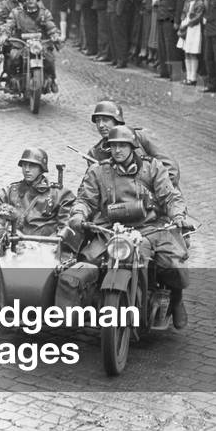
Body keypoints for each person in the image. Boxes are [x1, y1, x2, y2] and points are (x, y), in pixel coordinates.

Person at [68, 126, 190, 329]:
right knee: (87, 260)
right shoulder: (98, 171)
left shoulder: (152, 168)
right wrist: (79, 214)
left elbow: (170, 196)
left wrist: (178, 215)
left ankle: (176, 299)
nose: (117, 150)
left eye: (122, 145)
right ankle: (94, 302)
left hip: (149, 228)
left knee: (172, 265)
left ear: (132, 146)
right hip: (110, 229)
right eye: (113, 146)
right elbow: (85, 199)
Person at [0, 148, 74, 245]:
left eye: (32, 166)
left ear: (41, 168)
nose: (27, 170)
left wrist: (57, 240)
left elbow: (68, 225)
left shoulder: (59, 194)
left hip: (47, 249)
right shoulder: (12, 191)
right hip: (15, 246)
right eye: (24, 165)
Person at [85, 101, 181, 190]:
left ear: (117, 121)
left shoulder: (140, 137)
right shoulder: (95, 153)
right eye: (97, 121)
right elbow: (94, 188)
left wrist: (155, 196)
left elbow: (171, 169)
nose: (100, 125)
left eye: (105, 120)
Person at [0, 0, 62, 93]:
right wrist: (4, 34)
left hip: (40, 43)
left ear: (37, 0)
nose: (30, 1)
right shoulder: (16, 13)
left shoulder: (44, 13)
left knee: (50, 59)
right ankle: (11, 80)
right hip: (21, 43)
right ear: (24, 0)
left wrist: (55, 35)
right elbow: (9, 24)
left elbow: (51, 26)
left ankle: (52, 80)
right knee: (13, 58)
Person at [178, 0, 204, 86]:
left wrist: (187, 23)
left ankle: (193, 77)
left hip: (194, 29)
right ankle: (188, 76)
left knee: (192, 52)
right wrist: (182, 21)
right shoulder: (187, 3)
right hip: (186, 27)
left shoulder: (199, 3)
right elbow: (184, 13)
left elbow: (198, 17)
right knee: (186, 52)